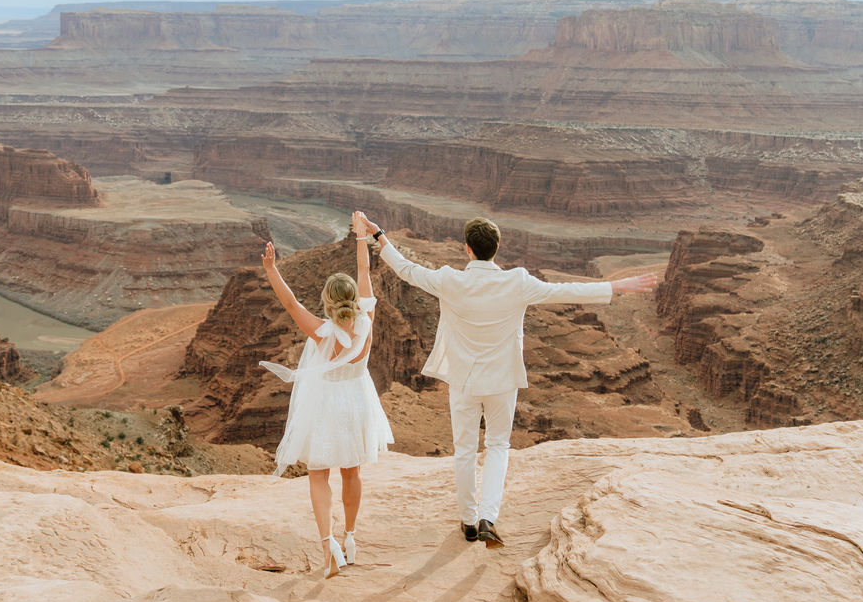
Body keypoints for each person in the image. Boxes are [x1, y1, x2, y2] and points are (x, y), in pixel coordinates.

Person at [357, 213, 656, 549]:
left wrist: (379, 234)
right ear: (496, 249)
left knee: (465, 451)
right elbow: (565, 290)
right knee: (498, 447)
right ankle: (488, 517)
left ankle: (468, 521)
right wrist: (616, 286)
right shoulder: (518, 282)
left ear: (466, 249)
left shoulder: (449, 280)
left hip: (464, 382)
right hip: (502, 381)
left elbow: (407, 269)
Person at [258, 213, 394, 579]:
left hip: (328, 404)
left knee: (318, 475)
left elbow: (290, 306)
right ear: (353, 299)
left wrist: (272, 269)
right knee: (352, 472)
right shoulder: (367, 320)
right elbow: (364, 273)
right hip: (359, 400)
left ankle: (328, 545)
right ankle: (350, 537)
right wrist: (362, 235)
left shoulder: (323, 332)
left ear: (328, 303)